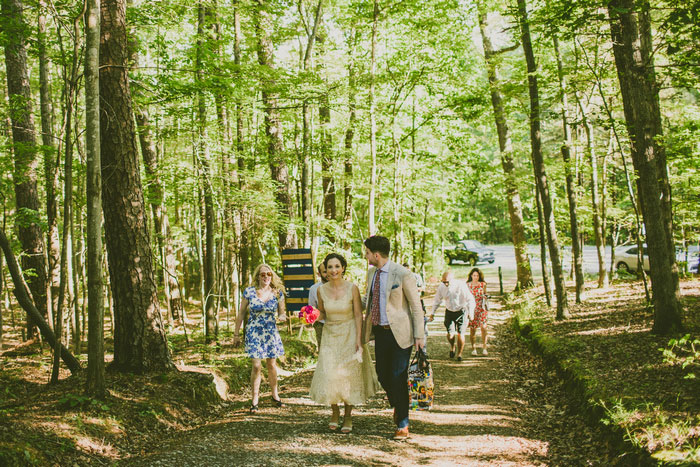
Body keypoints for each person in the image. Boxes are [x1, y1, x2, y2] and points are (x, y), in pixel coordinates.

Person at [362, 235, 424, 440]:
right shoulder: (371, 273)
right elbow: (368, 300)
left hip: (401, 334)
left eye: (367, 253)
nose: (366, 256)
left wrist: (419, 335)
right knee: (382, 373)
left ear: (376, 254)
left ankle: (402, 424)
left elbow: (416, 306)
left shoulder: (403, 274)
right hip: (380, 332)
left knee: (398, 377)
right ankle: (398, 403)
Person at [309, 253, 379, 434]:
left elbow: (358, 314)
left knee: (348, 376)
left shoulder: (352, 288)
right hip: (330, 335)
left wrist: (359, 339)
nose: (333, 271)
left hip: (350, 333)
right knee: (330, 374)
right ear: (325, 271)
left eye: (336, 266)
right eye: (329, 267)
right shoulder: (320, 290)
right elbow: (322, 313)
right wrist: (312, 316)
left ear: (343, 268)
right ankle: (334, 412)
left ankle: (348, 415)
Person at [233, 264, 287, 413]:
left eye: (268, 274)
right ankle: (255, 400)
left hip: (270, 332)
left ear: (272, 276)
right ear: (257, 276)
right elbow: (241, 314)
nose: (266, 277)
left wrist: (282, 317)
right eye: (263, 275)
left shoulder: (277, 293)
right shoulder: (249, 292)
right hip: (254, 331)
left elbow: (282, 312)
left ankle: (275, 396)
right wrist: (236, 334)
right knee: (256, 366)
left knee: (271, 364)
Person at [431, 270, 475, 362]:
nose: (445, 284)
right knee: (450, 334)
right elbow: (437, 300)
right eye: (444, 282)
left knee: (460, 334)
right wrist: (432, 313)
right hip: (449, 311)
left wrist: (471, 313)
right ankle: (452, 346)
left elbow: (470, 299)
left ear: (452, 280)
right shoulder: (441, 287)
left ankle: (459, 354)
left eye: (447, 282)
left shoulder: (460, 285)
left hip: (461, 311)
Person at [403, 262, 431, 349]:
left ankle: (423, 353)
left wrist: (412, 290)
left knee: (421, 326)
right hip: (405, 305)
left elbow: (423, 288)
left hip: (418, 302)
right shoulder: (399, 278)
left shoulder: (416, 277)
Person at [467, 267, 489, 356]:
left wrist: (486, 296)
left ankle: (484, 347)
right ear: (471, 276)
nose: (475, 277)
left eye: (477, 276)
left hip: (482, 308)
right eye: (474, 275)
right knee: (473, 329)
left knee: (484, 328)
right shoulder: (468, 285)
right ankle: (473, 348)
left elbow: (485, 293)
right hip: (472, 309)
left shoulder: (483, 284)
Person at [308, 262, 328, 347]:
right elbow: (312, 308)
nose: (328, 274)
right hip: (321, 325)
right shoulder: (314, 289)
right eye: (324, 272)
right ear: (319, 274)